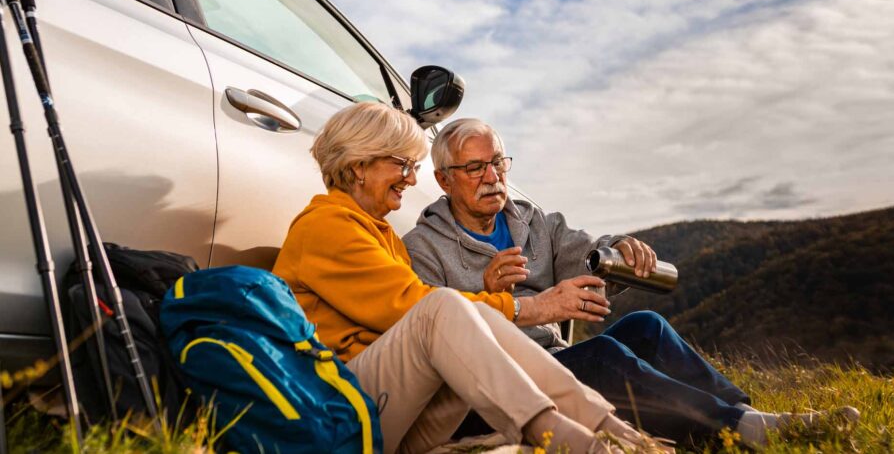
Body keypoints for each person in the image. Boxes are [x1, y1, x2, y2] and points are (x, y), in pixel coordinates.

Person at [403, 118, 860, 447]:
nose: (493, 177)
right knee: (603, 357)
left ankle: (750, 416)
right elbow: (431, 336)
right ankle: (737, 429)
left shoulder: (531, 220)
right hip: (489, 391)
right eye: (475, 168)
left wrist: (620, 248)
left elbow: (584, 251)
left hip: (554, 359)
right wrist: (490, 296)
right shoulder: (423, 246)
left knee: (647, 325)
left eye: (499, 163)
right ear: (443, 180)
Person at [271, 102, 654, 454]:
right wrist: (532, 306)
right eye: (402, 165)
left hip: (396, 411)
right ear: (359, 166)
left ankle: (617, 433)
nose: (408, 179)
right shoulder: (325, 226)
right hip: (344, 412)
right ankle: (569, 441)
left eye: (413, 168)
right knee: (442, 305)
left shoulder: (380, 233)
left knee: (474, 315)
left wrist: (494, 303)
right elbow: (410, 309)